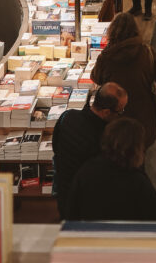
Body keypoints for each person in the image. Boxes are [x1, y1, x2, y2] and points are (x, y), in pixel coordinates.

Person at [66, 116, 156, 222]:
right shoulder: (137, 180)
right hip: (125, 241)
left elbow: (72, 211)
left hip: (92, 239)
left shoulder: (86, 170)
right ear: (137, 147)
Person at [91, 12, 156, 148]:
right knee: (139, 155)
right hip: (144, 119)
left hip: (115, 120)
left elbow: (96, 78)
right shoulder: (147, 52)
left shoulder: (106, 57)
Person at [52, 82, 128, 220]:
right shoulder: (107, 138)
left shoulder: (67, 117)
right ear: (106, 112)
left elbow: (55, 147)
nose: (122, 115)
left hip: (65, 195)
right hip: (91, 204)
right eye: (120, 111)